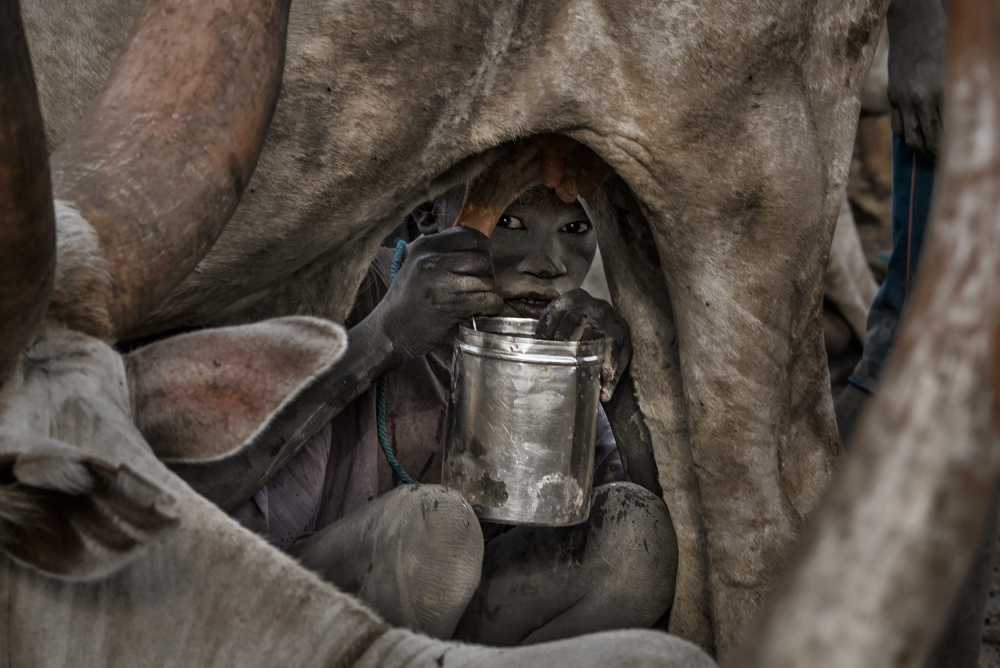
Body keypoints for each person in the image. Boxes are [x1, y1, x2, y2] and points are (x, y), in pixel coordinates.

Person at [231, 184, 677, 645]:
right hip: (308, 620)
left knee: (637, 542)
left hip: (461, 628)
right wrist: (385, 336)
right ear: (427, 213)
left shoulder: (558, 341)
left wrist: (614, 387)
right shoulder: (357, 291)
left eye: (575, 227)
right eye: (510, 221)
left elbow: (660, 552)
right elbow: (217, 504)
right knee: (437, 531)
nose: (549, 264)